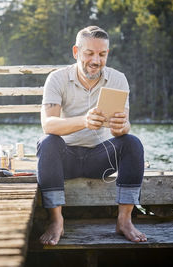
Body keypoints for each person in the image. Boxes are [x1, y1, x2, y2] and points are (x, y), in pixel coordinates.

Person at [37, 25, 147, 246]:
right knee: (47, 142)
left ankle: (124, 220)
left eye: (102, 54)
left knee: (133, 143)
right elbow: (48, 124)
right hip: (65, 159)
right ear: (76, 52)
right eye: (89, 53)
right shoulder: (57, 79)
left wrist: (122, 126)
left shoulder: (118, 79)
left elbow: (121, 129)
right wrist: (83, 121)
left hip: (100, 159)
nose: (96, 60)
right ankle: (56, 220)